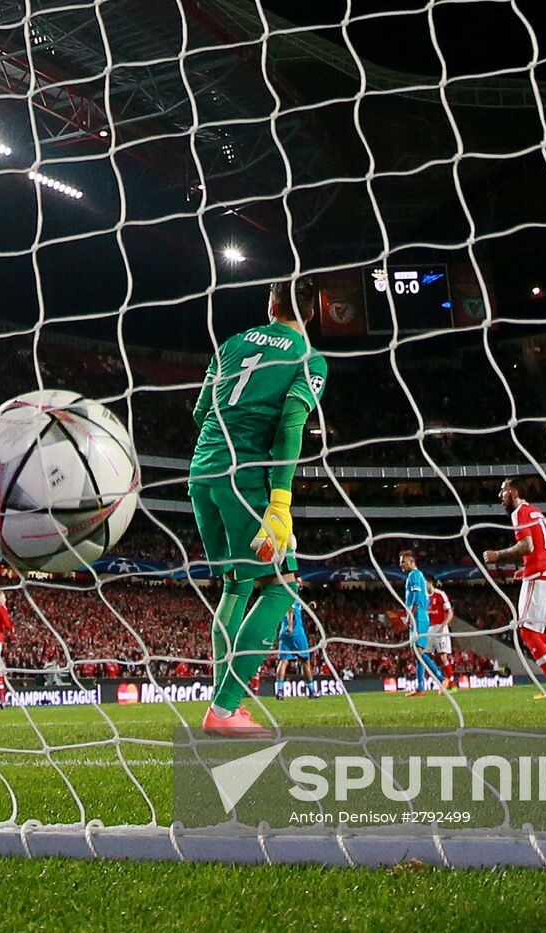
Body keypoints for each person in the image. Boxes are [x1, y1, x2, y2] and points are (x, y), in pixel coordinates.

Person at [188, 276, 328, 737]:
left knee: (234, 586)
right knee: (281, 587)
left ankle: (221, 707)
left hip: (202, 474)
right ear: (311, 313)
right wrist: (280, 502)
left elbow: (198, 412)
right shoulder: (307, 357)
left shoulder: (229, 343)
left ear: (270, 304)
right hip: (245, 482)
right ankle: (224, 710)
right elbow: (291, 424)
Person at [482, 478, 546, 699]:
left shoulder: (519, 512)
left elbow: (527, 545)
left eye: (504, 491)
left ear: (515, 492)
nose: (501, 496)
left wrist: (497, 555)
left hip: (539, 576)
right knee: (537, 633)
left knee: (527, 632)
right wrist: (529, 567)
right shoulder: (538, 513)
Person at [400, 550, 446, 696]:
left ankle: (441, 678)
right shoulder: (417, 575)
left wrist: (409, 617)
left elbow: (416, 600)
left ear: (412, 562)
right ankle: (420, 688)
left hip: (418, 617)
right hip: (418, 617)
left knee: (419, 652)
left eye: (403, 561)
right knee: (418, 654)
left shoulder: (414, 575)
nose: (401, 564)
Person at [275, 601, 319, 699]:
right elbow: (290, 609)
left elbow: (295, 609)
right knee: (305, 662)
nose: (300, 584)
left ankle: (280, 691)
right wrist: (291, 625)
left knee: (283, 661)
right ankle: (312, 691)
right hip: (296, 632)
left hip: (283, 632)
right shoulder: (292, 593)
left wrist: (307, 606)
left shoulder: (285, 595)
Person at [427, 583, 456, 692]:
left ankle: (452, 684)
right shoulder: (424, 596)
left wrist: (443, 626)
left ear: (430, 583)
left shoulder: (440, 594)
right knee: (426, 656)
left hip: (440, 627)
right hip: (429, 629)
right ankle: (442, 681)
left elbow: (450, 612)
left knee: (443, 657)